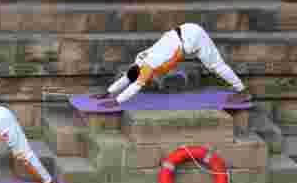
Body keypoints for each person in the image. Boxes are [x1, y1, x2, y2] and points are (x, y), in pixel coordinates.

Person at [93, 23, 250, 108]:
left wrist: (117, 101)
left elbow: (134, 86)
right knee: (212, 65)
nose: (146, 80)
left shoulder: (148, 65)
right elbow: (127, 78)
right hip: (184, 32)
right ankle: (240, 89)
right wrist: (108, 92)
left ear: (142, 73)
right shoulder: (140, 60)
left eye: (144, 78)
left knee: (216, 66)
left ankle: (242, 91)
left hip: (193, 37)